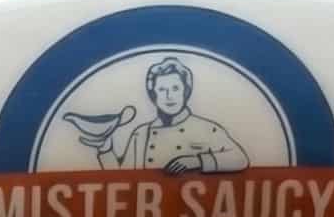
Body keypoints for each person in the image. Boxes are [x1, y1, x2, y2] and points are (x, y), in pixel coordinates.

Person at [68, 59, 249, 176]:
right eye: (162, 90)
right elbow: (123, 177)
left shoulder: (207, 128)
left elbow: (240, 159)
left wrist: (196, 161)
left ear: (186, 91)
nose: (169, 96)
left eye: (175, 89)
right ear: (153, 95)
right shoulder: (141, 133)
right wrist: (106, 149)